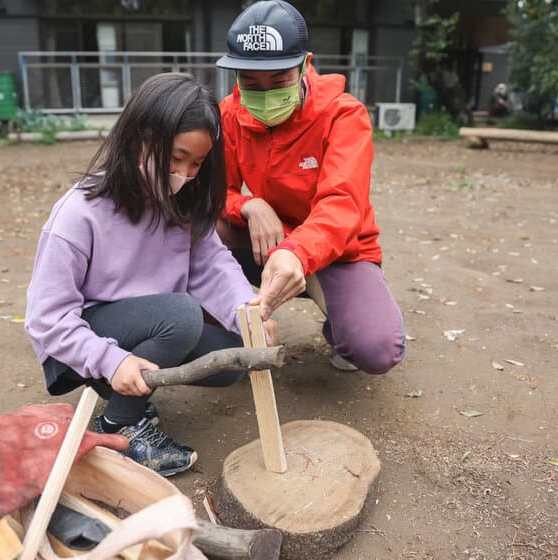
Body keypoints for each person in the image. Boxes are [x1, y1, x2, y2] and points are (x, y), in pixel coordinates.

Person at [25, 73, 274, 477]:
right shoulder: (80, 213)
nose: (185, 174)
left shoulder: (183, 202)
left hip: (150, 323)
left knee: (230, 359)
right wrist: (109, 358)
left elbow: (212, 263)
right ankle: (119, 425)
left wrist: (247, 313)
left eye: (196, 164)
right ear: (138, 137)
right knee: (181, 315)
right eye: (176, 158)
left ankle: (122, 383)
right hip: (79, 340)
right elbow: (46, 319)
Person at [215, 0, 404, 374]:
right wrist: (249, 207)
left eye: (279, 79)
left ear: (305, 64)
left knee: (376, 349)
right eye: (251, 82)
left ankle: (341, 319)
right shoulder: (229, 114)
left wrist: (297, 252)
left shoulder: (343, 115)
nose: (264, 94)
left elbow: (342, 203)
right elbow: (214, 191)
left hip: (339, 247)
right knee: (202, 230)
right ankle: (218, 323)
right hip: (268, 236)